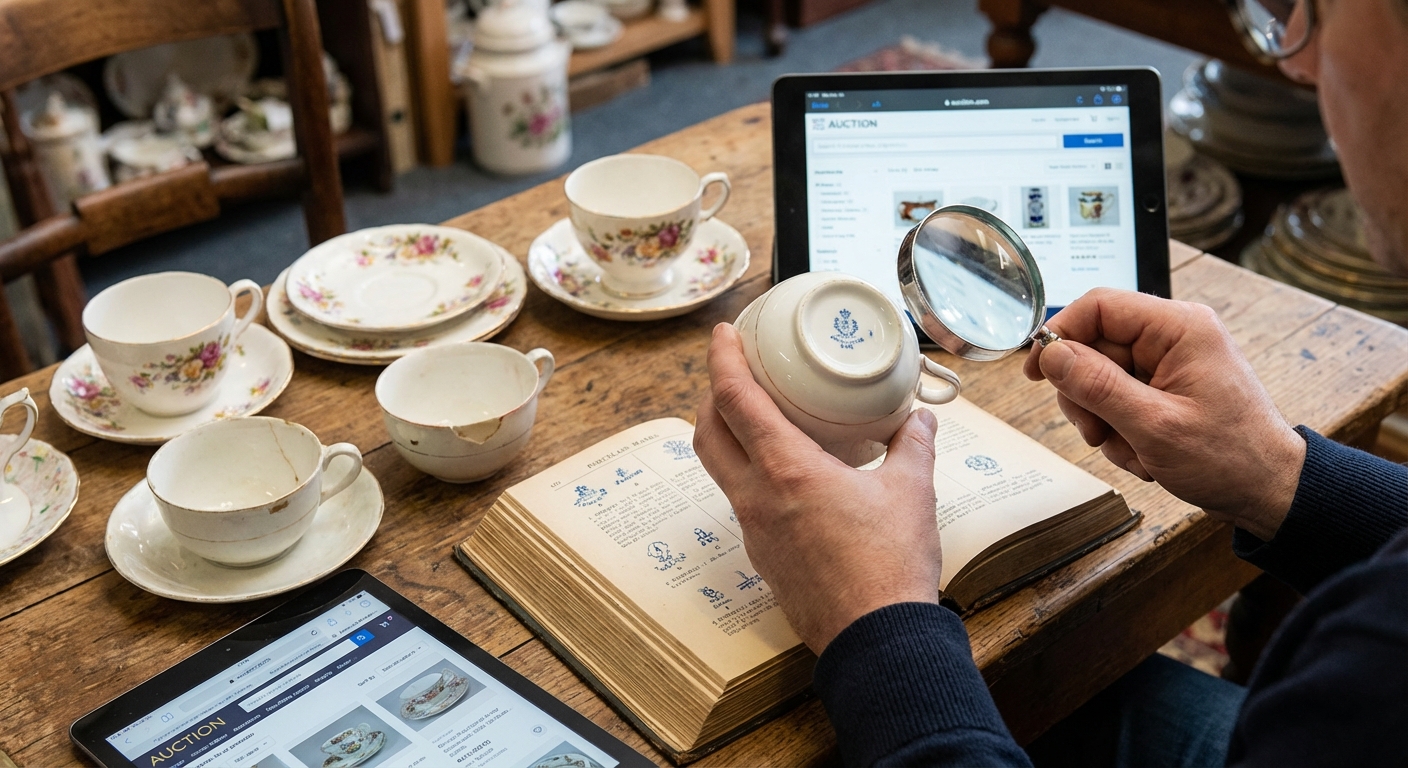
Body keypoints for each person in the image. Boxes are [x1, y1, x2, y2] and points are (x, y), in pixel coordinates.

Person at [691, 0, 1408, 764]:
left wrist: (876, 619)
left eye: (1320, 12)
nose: (1294, 63)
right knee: (1077, 696)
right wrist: (1278, 474)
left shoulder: (1368, 668)